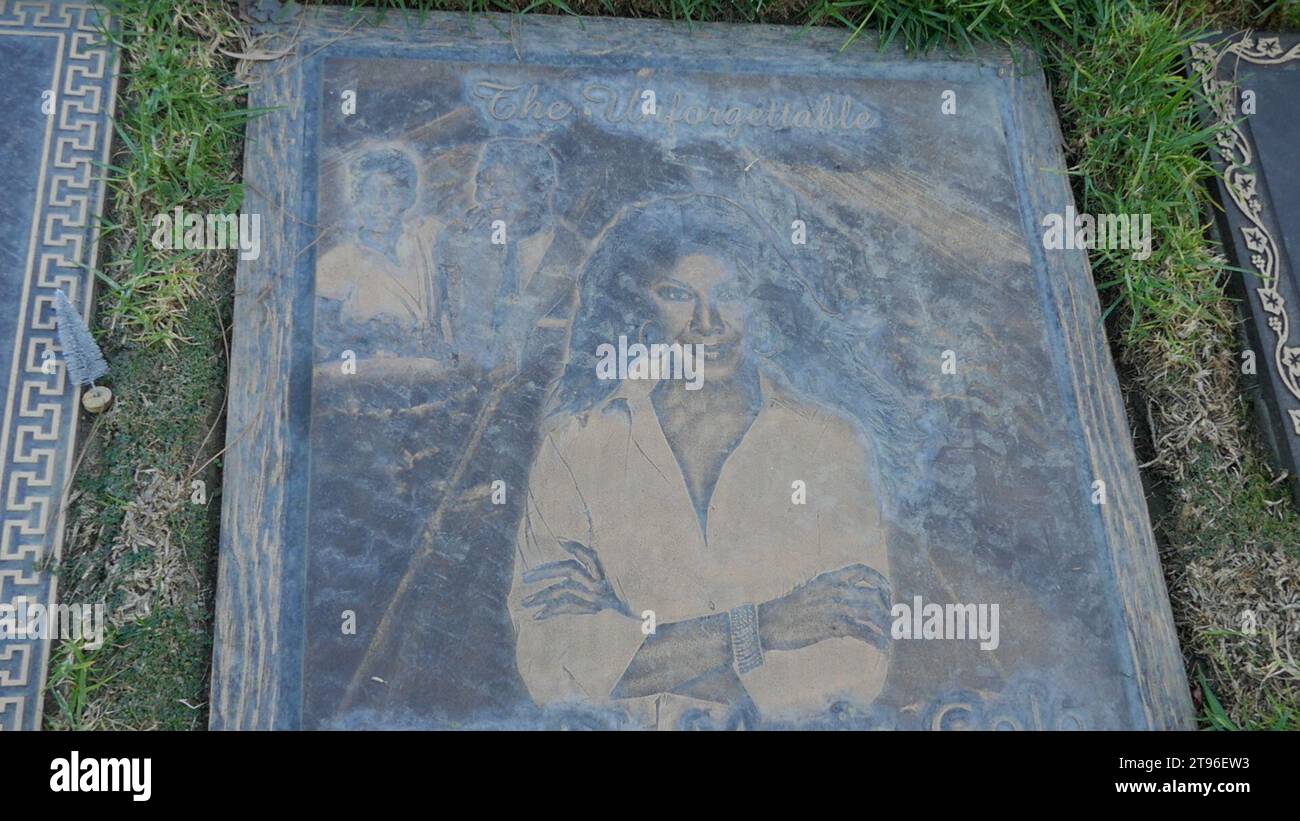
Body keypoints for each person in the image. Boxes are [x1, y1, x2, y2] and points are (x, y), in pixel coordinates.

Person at [508, 195, 892, 729]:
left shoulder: (830, 443)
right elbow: (553, 665)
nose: (708, 323)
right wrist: (767, 627)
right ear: (638, 308)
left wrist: (635, 654)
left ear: (757, 304)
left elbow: (850, 667)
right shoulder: (576, 446)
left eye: (729, 295)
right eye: (677, 295)